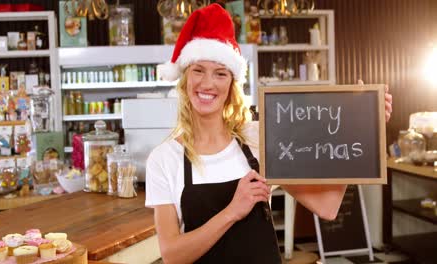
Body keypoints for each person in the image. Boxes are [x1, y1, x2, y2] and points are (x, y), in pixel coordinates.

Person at [146, 4, 393, 263]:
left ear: (231, 85)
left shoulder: (258, 139)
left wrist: (359, 128)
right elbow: (172, 255)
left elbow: (327, 208)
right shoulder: (164, 159)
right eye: (198, 70)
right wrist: (233, 211)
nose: (208, 83)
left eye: (220, 74)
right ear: (185, 79)